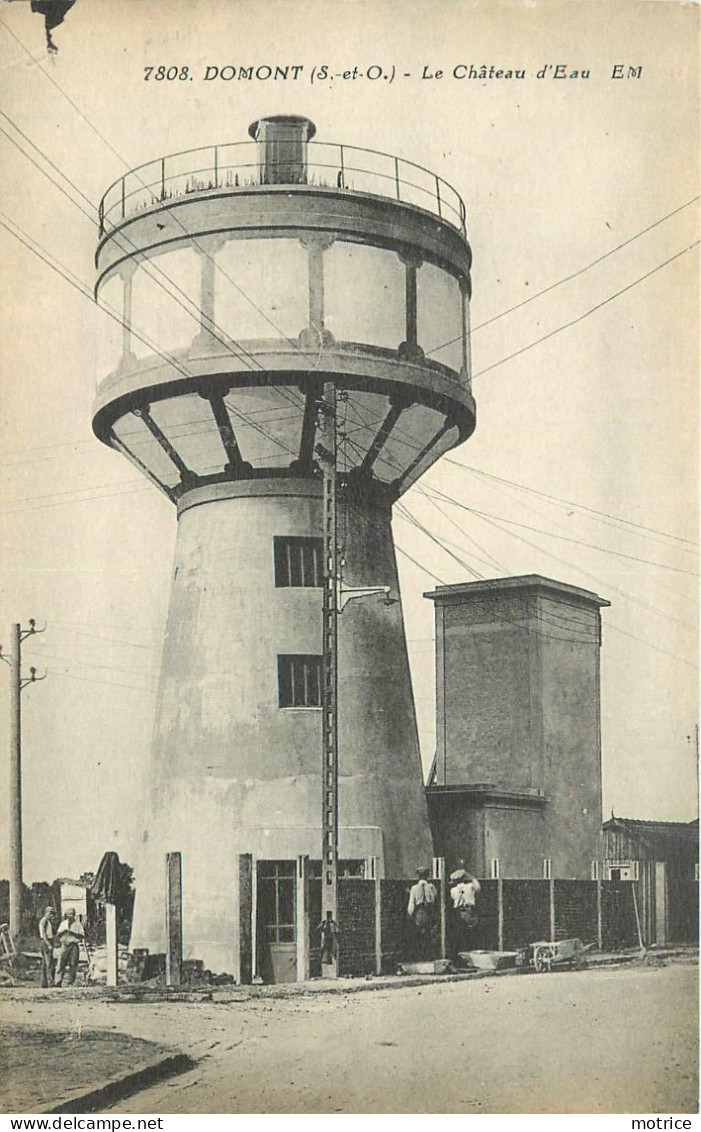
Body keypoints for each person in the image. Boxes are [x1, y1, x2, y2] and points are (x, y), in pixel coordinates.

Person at [450, 868, 481, 959]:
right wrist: (470, 876)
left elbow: (452, 899)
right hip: (470, 911)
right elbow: (478, 887)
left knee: (461, 935)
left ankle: (462, 956)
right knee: (472, 934)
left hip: (459, 913)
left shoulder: (453, 890)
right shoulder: (470, 886)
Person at [407, 867, 437, 959]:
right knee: (430, 934)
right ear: (427, 876)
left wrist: (410, 914)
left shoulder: (414, 888)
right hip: (430, 912)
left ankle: (421, 955)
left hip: (419, 912)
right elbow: (434, 898)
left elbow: (411, 904)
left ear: (418, 876)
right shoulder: (431, 887)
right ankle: (430, 954)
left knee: (419, 934)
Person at [55, 908, 84, 987]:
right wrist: (63, 932)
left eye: (72, 914)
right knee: (61, 963)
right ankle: (58, 981)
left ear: (74, 915)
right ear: (66, 915)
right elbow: (57, 934)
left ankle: (71, 981)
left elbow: (82, 936)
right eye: (68, 914)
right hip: (64, 944)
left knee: (73, 963)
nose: (70, 916)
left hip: (73, 944)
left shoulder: (78, 924)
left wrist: (72, 933)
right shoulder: (63, 923)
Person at [38, 906, 55, 988]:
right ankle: (51, 982)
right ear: (46, 913)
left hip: (48, 941)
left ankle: (44, 983)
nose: (51, 915)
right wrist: (48, 944)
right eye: (50, 913)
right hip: (46, 942)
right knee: (49, 963)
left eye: (52, 913)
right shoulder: (44, 921)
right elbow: (44, 934)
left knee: (45, 964)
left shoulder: (48, 921)